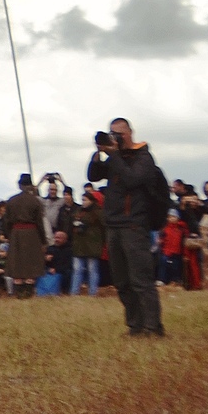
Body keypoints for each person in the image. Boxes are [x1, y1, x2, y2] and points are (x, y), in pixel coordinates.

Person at [87, 119, 170, 336]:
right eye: (112, 134)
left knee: (141, 280)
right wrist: (98, 153)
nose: (116, 137)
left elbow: (133, 179)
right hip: (113, 226)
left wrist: (114, 155)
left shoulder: (143, 157)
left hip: (134, 225)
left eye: (119, 133)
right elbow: (93, 176)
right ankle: (135, 325)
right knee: (122, 282)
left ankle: (153, 327)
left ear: (130, 132)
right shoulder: (117, 159)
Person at [0, 175, 44, 299]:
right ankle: (28, 293)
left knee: (17, 264)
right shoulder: (35, 201)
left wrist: (9, 235)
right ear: (30, 186)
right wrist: (42, 239)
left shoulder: (11, 201)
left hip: (16, 233)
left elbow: (6, 221)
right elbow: (39, 222)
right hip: (32, 234)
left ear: (19, 185)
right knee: (30, 263)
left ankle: (19, 293)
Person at [69, 188, 106, 297]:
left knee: (92, 270)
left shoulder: (99, 212)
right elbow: (72, 222)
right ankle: (74, 292)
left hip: (92, 245)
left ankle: (92, 292)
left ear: (91, 200)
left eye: (85, 200)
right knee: (77, 269)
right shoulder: (78, 211)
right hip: (79, 245)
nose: (83, 202)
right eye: (82, 200)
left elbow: (104, 228)